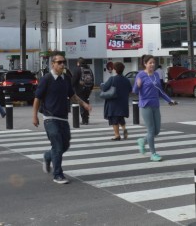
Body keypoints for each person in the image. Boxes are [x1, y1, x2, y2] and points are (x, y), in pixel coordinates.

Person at [33, 53, 92, 184]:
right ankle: (58, 174)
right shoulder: (46, 79)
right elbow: (37, 98)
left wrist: (84, 104)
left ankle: (48, 156)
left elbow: (72, 95)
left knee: (64, 145)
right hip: (50, 117)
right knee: (58, 146)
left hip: (63, 118)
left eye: (63, 62)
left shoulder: (65, 79)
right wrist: (35, 116)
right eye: (59, 62)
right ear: (52, 64)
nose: (62, 64)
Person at [133, 54, 177, 162]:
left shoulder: (156, 75)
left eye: (153, 62)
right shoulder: (140, 75)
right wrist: (138, 85)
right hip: (145, 105)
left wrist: (169, 100)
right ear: (145, 64)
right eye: (150, 63)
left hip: (155, 105)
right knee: (151, 130)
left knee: (157, 130)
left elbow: (160, 91)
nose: (152, 65)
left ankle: (143, 140)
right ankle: (153, 154)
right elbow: (134, 91)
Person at [101, 62, 132, 140]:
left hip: (113, 102)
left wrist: (102, 85)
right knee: (121, 117)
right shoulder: (126, 80)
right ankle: (124, 129)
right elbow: (130, 90)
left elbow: (104, 88)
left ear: (115, 69)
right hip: (123, 102)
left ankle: (117, 135)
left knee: (114, 119)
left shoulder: (112, 79)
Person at [71, 57, 93, 125]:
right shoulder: (89, 69)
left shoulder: (77, 69)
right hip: (88, 89)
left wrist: (71, 87)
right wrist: (90, 88)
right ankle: (86, 118)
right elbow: (92, 79)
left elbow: (74, 80)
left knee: (82, 103)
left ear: (78, 63)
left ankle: (84, 120)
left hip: (80, 89)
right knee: (86, 102)